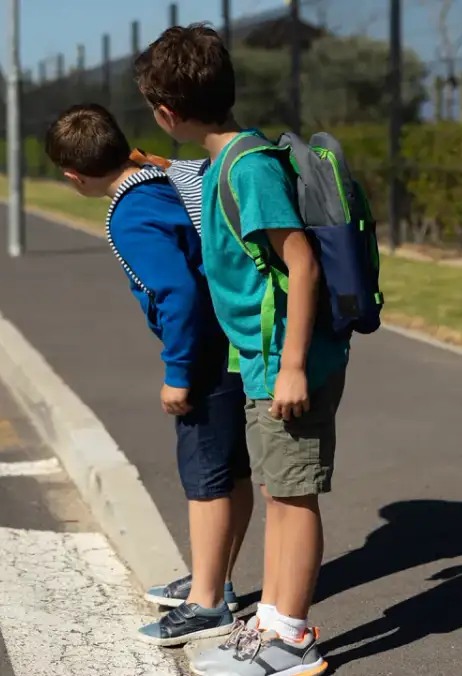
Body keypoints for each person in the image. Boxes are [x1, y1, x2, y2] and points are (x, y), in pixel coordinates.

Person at [134, 23, 350, 676]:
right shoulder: (229, 160)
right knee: (280, 490)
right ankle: (274, 621)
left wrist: (288, 369)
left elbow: (301, 263)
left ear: (167, 112)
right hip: (261, 361)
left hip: (287, 363)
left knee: (294, 496)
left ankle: (292, 638)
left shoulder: (247, 169)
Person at [43, 103, 254, 647]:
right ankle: (217, 579)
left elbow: (178, 292)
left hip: (203, 355)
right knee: (231, 471)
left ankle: (207, 604)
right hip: (229, 340)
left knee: (205, 479)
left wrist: (177, 373)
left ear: (73, 176)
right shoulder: (156, 179)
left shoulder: (129, 214)